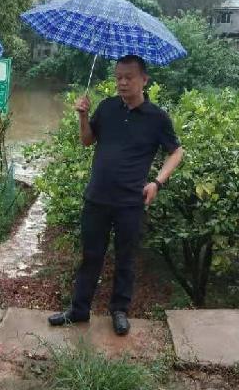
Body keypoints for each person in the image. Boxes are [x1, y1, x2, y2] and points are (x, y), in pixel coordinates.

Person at [48, 54, 184, 335]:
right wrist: (82, 116)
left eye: (128, 77)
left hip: (131, 201)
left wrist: (157, 183)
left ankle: (120, 310)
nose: (122, 82)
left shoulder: (157, 117)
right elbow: (87, 141)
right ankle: (79, 309)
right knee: (90, 255)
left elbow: (176, 152)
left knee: (125, 258)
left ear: (144, 80)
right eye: (118, 77)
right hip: (97, 197)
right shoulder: (107, 107)